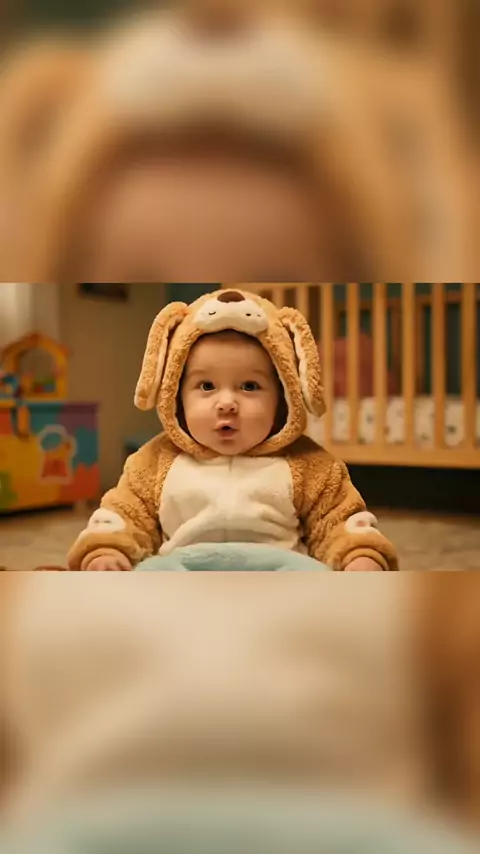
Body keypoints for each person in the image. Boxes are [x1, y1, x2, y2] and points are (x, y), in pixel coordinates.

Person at [68, 288, 398, 571]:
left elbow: (338, 521)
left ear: (283, 398)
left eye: (250, 386)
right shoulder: (154, 463)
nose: (227, 403)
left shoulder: (310, 465)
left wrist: (359, 556)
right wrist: (107, 551)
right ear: (176, 396)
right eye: (206, 386)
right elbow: (126, 514)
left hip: (277, 571)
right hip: (183, 572)